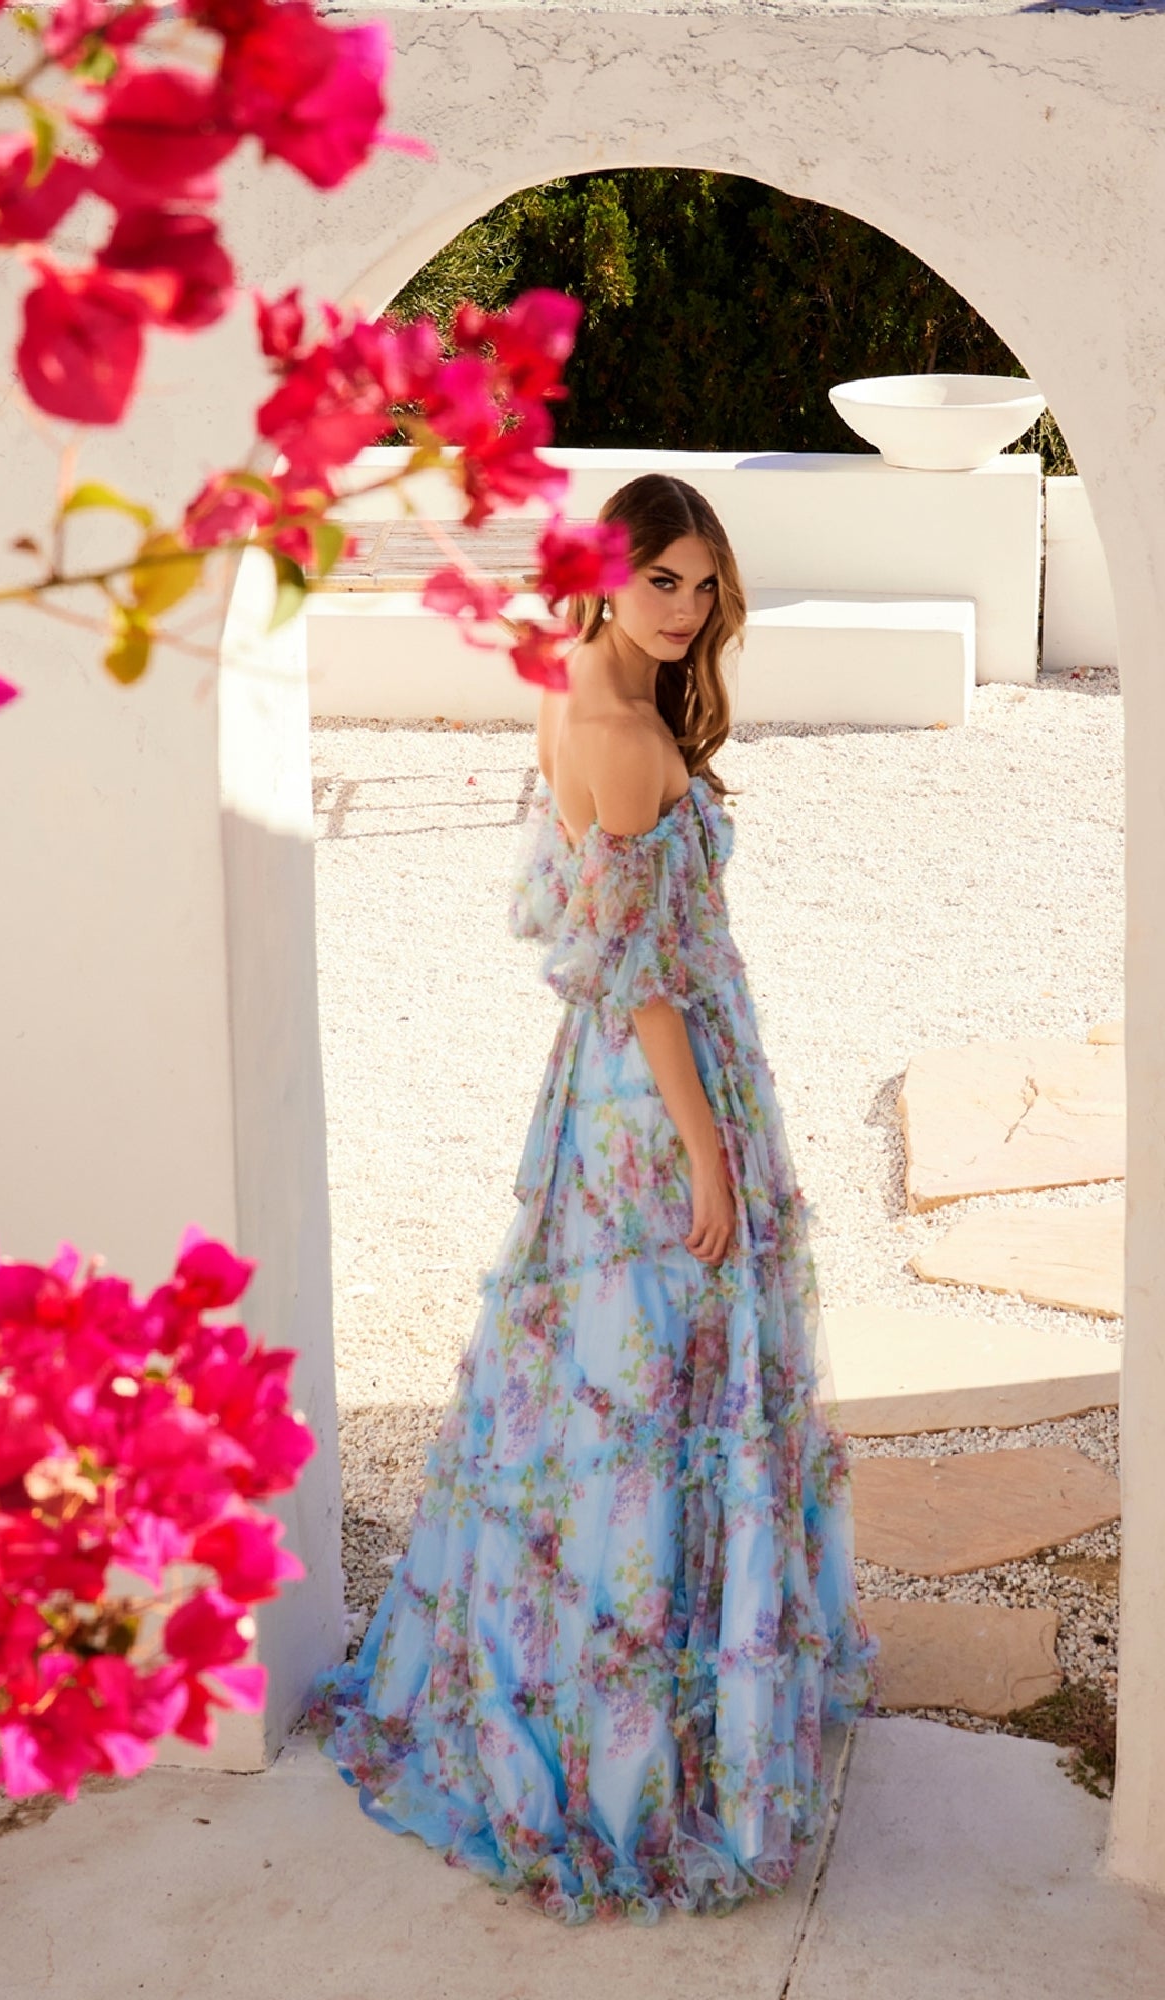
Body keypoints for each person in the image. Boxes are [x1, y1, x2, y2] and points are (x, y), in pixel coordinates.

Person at [309, 473, 876, 1924]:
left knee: (604, 1404)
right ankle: (643, 1732)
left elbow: (572, 931)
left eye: (701, 584)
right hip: (651, 1099)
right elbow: (638, 982)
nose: (684, 610)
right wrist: (706, 1151)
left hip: (606, 1092)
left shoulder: (570, 684)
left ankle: (622, 1667)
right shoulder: (621, 734)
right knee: (656, 1396)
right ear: (608, 576)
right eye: (661, 581)